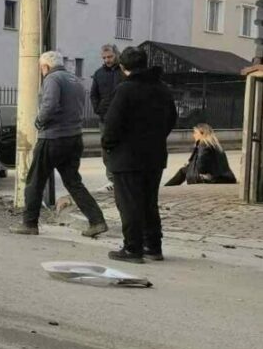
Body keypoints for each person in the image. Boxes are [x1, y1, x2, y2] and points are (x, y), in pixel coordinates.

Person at [11, 51, 108, 237]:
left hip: (53, 137)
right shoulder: (74, 80)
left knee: (35, 182)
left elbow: (50, 104)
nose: (41, 71)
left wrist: (38, 121)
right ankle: (97, 220)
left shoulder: (52, 79)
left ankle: (29, 223)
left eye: (41, 68)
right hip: (74, 137)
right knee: (73, 182)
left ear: (45, 67)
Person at [102, 46, 178, 263]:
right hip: (154, 155)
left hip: (127, 156)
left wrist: (109, 146)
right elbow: (171, 118)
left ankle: (132, 248)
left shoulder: (125, 89)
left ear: (124, 67)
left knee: (129, 203)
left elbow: (112, 123)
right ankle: (153, 246)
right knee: (148, 202)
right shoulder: (163, 89)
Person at [91, 44, 124, 187]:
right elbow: (93, 94)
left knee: (122, 147)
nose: (107, 60)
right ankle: (111, 179)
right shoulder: (99, 73)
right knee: (106, 149)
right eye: (104, 58)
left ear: (116, 55)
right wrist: (98, 109)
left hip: (123, 119)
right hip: (105, 118)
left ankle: (121, 178)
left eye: (109, 56)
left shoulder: (124, 71)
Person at [165, 123, 237, 186]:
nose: (193, 135)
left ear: (202, 133)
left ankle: (166, 188)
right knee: (184, 170)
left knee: (183, 171)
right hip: (224, 177)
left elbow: (201, 167)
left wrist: (192, 166)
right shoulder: (215, 144)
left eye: (195, 133)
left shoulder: (203, 144)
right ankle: (167, 187)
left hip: (212, 178)